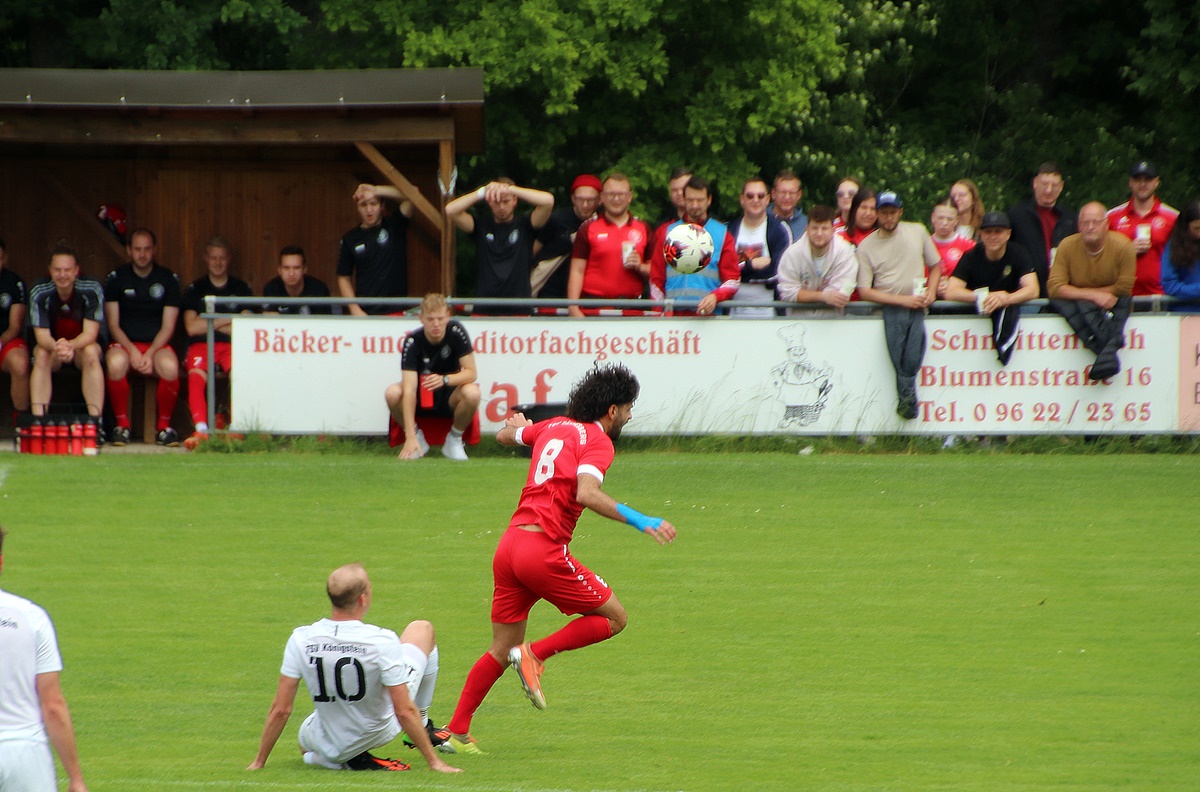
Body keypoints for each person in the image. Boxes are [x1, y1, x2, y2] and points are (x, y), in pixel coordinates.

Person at [443, 363, 677, 753]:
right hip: (542, 551)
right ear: (612, 410)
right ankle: (534, 654)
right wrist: (642, 520)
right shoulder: (598, 441)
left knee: (501, 647)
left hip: (509, 547)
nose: (630, 416)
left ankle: (456, 731)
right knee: (615, 618)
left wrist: (519, 426)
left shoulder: (553, 425)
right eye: (628, 408)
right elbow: (586, 492)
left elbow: (502, 435)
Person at [247, 563, 460, 775]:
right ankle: (423, 724)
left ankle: (339, 759)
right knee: (422, 628)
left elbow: (281, 709)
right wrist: (434, 762)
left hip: (327, 735)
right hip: (378, 730)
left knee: (305, 746)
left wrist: (259, 761)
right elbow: (403, 710)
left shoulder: (301, 638)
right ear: (362, 598)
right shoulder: (381, 640)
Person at [0, 526, 89, 792]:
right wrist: (75, 777)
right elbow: (52, 705)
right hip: (25, 754)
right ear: (1, 563)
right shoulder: (31, 617)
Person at [856, 190, 941, 419]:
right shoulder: (866, 246)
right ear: (877, 214)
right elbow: (864, 291)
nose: (888, 217)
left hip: (918, 307)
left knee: (912, 357)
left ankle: (907, 404)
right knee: (896, 360)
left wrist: (932, 291)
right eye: (884, 213)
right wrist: (903, 300)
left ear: (900, 212)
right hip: (887, 311)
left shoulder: (917, 231)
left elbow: (936, 266)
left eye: (892, 212)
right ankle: (902, 406)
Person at [103, 228, 182, 446]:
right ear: (129, 250)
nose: (142, 254)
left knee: (170, 367)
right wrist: (133, 351)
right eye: (137, 249)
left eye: (147, 249)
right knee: (115, 364)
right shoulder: (116, 278)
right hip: (124, 343)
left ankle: (164, 428)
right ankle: (122, 426)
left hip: (156, 345)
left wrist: (150, 352)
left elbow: (168, 326)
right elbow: (113, 324)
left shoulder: (168, 279)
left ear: (154, 250)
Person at [384, 293, 480, 461]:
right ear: (421, 319)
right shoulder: (413, 341)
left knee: (473, 393)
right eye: (430, 319)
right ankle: (416, 438)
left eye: (440, 318)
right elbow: (409, 389)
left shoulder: (456, 331)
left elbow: (471, 373)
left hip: (450, 395)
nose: (436, 324)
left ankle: (454, 440)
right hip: (422, 396)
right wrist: (409, 436)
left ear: (448, 316)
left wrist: (445, 379)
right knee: (392, 393)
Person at [1047, 202, 1136, 381]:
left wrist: (1081, 293)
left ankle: (1106, 358)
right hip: (1078, 309)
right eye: (1085, 222)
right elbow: (1054, 287)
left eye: (1096, 222)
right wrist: (1094, 296)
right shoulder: (1066, 246)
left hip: (1114, 307)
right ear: (1079, 226)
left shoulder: (1124, 246)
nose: (1090, 227)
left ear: (1106, 224)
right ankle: (1110, 353)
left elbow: (1125, 287)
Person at [181, 235, 253, 449]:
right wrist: (227, 318)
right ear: (206, 258)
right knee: (196, 375)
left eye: (222, 258)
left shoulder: (241, 288)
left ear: (228, 258)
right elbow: (191, 327)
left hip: (232, 345)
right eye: (213, 258)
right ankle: (201, 430)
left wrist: (209, 321)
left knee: (241, 375)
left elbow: (246, 325)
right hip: (201, 345)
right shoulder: (196, 289)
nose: (218, 262)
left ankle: (236, 428)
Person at [940, 211, 1039, 365]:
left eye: (998, 231)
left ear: (1008, 234)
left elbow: (1033, 289)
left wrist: (1006, 298)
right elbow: (951, 291)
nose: (993, 236)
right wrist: (983, 297)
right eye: (988, 232)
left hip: (1009, 315)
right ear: (981, 234)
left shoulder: (1019, 253)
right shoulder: (971, 256)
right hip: (972, 325)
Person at [445, 179, 555, 314]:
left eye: (506, 201)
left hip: (519, 308)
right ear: (489, 202)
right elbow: (450, 210)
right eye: (497, 202)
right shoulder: (480, 226)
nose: (501, 207)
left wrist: (511, 189)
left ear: (515, 201)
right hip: (484, 308)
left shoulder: (526, 225)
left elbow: (548, 201)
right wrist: (483, 191)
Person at [28, 244, 105, 420]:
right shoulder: (39, 290)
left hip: (81, 348)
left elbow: (91, 334)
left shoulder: (92, 288)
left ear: (76, 270)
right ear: (50, 270)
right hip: (53, 348)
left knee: (91, 352)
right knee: (41, 354)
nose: (62, 275)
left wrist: (70, 346)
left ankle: (95, 422)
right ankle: (38, 421)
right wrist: (59, 347)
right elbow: (41, 336)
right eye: (57, 270)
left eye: (67, 270)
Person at [649, 176, 741, 316]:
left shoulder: (722, 234)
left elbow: (733, 280)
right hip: (673, 317)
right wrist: (659, 313)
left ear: (709, 200)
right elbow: (656, 279)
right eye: (691, 200)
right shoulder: (667, 233)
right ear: (684, 200)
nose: (695, 205)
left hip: (709, 316)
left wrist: (715, 297)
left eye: (700, 200)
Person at [565, 173, 651, 317]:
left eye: (621, 194)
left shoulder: (643, 228)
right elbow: (577, 270)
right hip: (594, 307)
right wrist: (573, 307)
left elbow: (657, 271)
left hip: (632, 308)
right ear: (602, 197)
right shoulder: (588, 228)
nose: (616, 199)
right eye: (611, 194)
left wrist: (640, 266)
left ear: (629, 197)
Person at [337, 183, 414, 316]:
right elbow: (343, 277)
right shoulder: (350, 238)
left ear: (382, 206)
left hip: (396, 310)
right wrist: (355, 309)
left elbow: (412, 195)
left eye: (373, 203)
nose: (369, 210)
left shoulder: (395, 225)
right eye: (363, 205)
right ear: (357, 208)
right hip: (366, 313)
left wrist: (376, 190)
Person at [1107, 160, 1178, 297]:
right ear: (1130, 182)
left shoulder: (1173, 217)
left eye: (1148, 179)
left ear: (1156, 182)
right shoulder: (1112, 217)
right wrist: (1127, 251)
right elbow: (1100, 255)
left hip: (1160, 295)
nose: (1143, 184)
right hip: (1121, 295)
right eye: (1137, 179)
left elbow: (1184, 256)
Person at [1007, 162, 1077, 296]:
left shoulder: (1071, 219)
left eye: (1054, 185)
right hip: (1025, 292)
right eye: (1044, 184)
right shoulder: (1016, 215)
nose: (1049, 190)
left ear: (1061, 187)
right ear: (1035, 183)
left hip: (1062, 292)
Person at [530, 174, 601, 305]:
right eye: (580, 199)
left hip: (586, 293)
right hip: (549, 289)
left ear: (599, 200)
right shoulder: (556, 220)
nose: (585, 205)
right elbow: (533, 250)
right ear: (573, 198)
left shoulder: (601, 224)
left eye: (590, 200)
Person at [776, 205, 859, 314]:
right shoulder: (792, 254)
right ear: (807, 229)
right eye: (815, 228)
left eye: (824, 228)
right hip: (798, 320)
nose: (819, 233)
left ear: (833, 230)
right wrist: (823, 296)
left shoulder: (845, 252)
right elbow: (787, 292)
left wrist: (807, 295)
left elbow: (840, 293)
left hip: (833, 320)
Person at [727, 177, 791, 316]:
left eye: (760, 196)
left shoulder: (780, 230)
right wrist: (752, 265)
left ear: (767, 199)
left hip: (769, 309)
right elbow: (725, 271)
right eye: (750, 196)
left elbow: (779, 271)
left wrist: (740, 269)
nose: (755, 200)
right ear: (742, 199)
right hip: (733, 308)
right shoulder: (729, 230)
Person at [0, 239, 31, 426]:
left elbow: (15, 326)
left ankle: (21, 421)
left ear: (5, 259)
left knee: (20, 363)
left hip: (5, 341)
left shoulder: (14, 282)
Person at [262, 245, 333, 315]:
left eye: (296, 268)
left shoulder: (319, 289)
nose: (291, 273)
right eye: (286, 268)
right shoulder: (271, 289)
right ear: (279, 270)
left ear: (304, 269)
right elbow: (268, 319)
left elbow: (324, 321)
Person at [929, 197, 975, 295]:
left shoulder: (969, 246)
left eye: (950, 219)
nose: (944, 223)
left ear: (956, 220)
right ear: (933, 218)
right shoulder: (923, 245)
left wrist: (952, 286)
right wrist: (933, 287)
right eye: (940, 218)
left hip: (958, 302)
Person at [1161, 200, 1200, 307]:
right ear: (1186, 226)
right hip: (1183, 311)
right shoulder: (1173, 247)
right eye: (1196, 229)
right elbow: (1169, 285)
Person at [769, 169, 808, 242]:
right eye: (783, 192)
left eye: (792, 193)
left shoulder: (807, 224)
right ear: (773, 194)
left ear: (799, 195)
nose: (787, 197)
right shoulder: (760, 219)